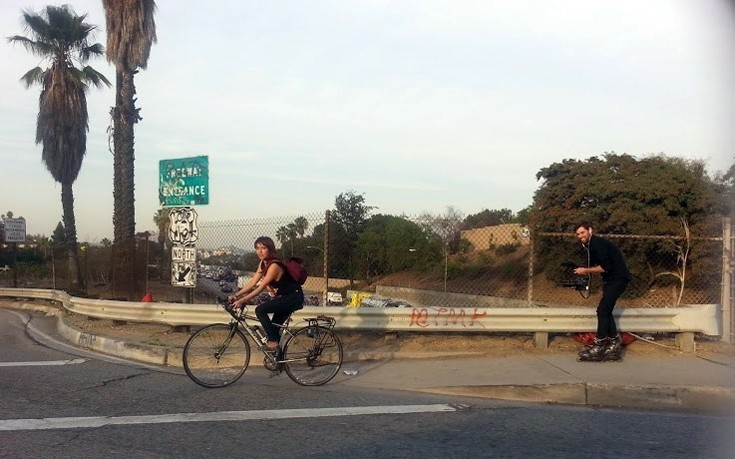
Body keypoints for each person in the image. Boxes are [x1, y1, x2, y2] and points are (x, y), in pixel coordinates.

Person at [228, 236, 304, 351]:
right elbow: (253, 282)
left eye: (263, 248)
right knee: (273, 328)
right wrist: (237, 295)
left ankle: (273, 342)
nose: (260, 251)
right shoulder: (263, 263)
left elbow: (261, 287)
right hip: (285, 297)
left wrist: (242, 300)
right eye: (257, 248)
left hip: (293, 297)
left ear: (271, 249)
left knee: (260, 310)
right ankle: (278, 359)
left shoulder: (274, 266)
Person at [572, 222, 631, 361]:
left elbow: (605, 267)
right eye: (578, 234)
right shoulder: (591, 246)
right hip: (612, 280)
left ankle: (599, 345)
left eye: (582, 232)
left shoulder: (598, 244)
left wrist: (585, 270)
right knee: (606, 311)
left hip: (618, 279)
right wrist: (580, 270)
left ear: (590, 230)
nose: (580, 236)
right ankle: (613, 344)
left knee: (602, 311)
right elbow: (592, 264)